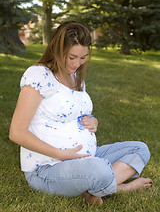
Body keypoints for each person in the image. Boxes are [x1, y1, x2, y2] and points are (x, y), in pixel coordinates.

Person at [9, 21, 152, 205]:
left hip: (85, 158)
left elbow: (77, 112)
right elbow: (16, 132)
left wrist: (93, 121)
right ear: (57, 50)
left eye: (83, 57)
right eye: (72, 57)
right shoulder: (39, 76)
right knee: (98, 169)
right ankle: (119, 186)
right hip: (48, 167)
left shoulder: (75, 77)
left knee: (140, 149)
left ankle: (94, 186)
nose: (77, 64)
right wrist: (60, 154)